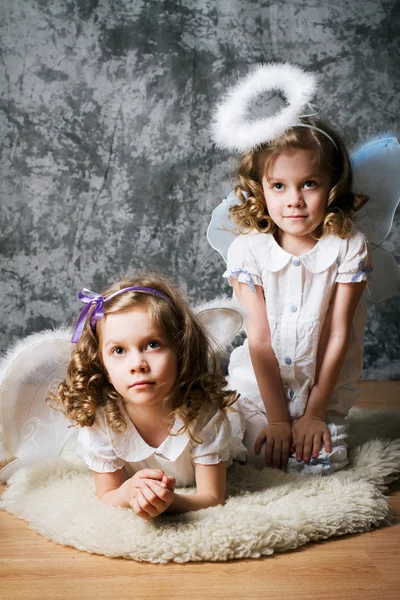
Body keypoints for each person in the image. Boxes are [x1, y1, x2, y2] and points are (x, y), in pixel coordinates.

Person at [209, 63, 373, 475]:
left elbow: (338, 335)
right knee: (256, 458)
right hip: (260, 387)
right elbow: (260, 342)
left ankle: (317, 423)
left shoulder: (347, 247)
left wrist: (314, 412)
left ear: (332, 184)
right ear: (260, 189)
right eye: (278, 186)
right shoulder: (248, 252)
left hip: (323, 387)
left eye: (309, 184)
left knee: (318, 465)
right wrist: (279, 419)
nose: (294, 200)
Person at [50, 273, 246, 519]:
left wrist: (168, 502)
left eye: (153, 344)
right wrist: (127, 494)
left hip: (203, 452)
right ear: (103, 366)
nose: (137, 364)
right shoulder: (101, 421)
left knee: (252, 433)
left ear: (180, 352)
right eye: (119, 350)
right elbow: (107, 494)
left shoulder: (203, 415)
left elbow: (212, 497)